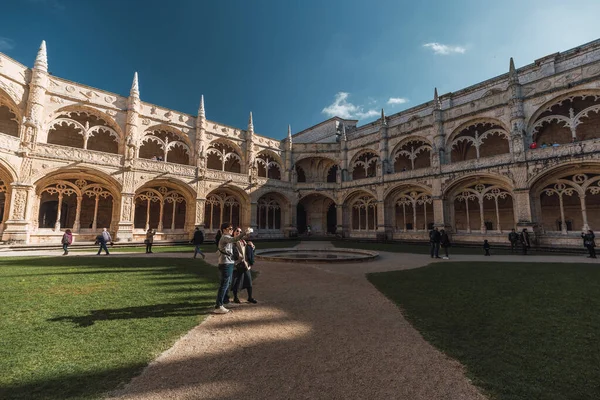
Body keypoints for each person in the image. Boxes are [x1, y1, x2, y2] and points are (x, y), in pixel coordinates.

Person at [215, 222, 248, 314]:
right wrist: (244, 233)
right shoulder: (225, 237)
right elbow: (235, 239)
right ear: (224, 230)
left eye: (232, 228)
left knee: (228, 282)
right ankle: (218, 305)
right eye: (230, 229)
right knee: (224, 284)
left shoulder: (227, 238)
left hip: (229, 263)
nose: (231, 230)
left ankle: (225, 301)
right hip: (225, 263)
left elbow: (236, 242)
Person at [231, 227, 258, 304]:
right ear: (234, 233)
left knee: (249, 281)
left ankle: (250, 297)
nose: (238, 232)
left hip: (245, 265)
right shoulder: (233, 241)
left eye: (240, 231)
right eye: (237, 231)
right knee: (237, 282)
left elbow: (249, 252)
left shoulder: (244, 241)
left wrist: (252, 246)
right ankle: (235, 297)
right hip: (238, 264)